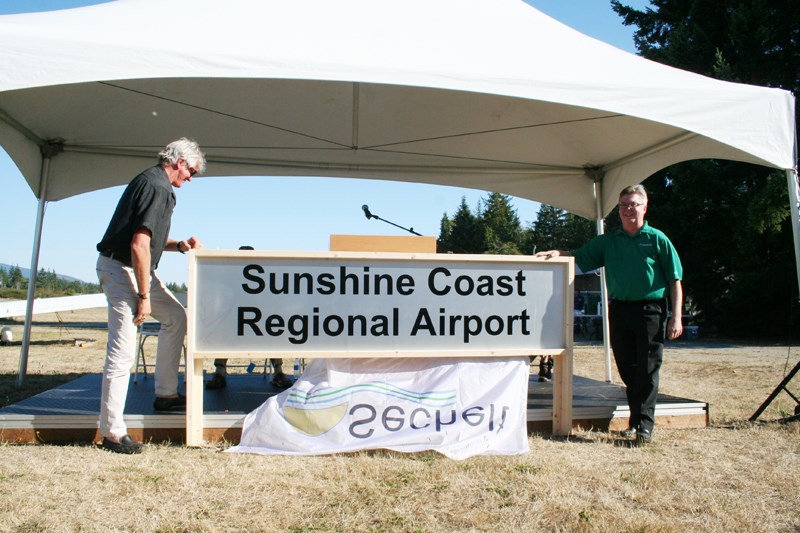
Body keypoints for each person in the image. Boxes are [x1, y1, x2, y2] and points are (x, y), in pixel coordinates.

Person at [536, 184, 683, 444]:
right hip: (620, 309)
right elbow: (580, 256)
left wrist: (676, 317)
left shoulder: (657, 239)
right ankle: (636, 420)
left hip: (651, 310)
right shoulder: (609, 241)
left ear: (644, 208)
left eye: (633, 204)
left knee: (647, 369)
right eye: (624, 204)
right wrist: (558, 254)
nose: (628, 209)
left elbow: (675, 280)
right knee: (627, 366)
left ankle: (644, 427)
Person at [95, 137, 206, 454]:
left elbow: (150, 239)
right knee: (123, 353)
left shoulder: (155, 183)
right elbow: (138, 245)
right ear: (180, 162)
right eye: (192, 172)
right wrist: (144, 295)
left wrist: (179, 245)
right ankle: (112, 432)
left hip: (135, 268)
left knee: (176, 316)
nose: (190, 180)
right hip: (123, 270)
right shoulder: (156, 186)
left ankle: (166, 394)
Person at [205, 246, 293, 392]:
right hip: (236, 327)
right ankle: (219, 374)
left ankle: (278, 373)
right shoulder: (231, 282)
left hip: (261, 326)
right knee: (223, 331)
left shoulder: (264, 280)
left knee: (273, 331)